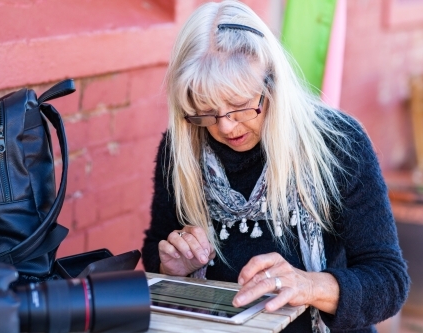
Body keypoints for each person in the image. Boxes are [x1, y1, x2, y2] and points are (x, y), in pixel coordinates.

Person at [141, 1, 410, 332]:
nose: (225, 127)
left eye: (240, 106)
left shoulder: (337, 142)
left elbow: (389, 281)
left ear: (273, 84)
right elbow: (157, 247)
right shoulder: (182, 147)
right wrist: (172, 267)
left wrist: (309, 285)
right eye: (205, 111)